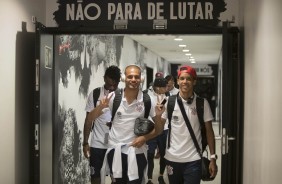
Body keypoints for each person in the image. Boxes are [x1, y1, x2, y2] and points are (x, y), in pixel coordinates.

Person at [99, 65, 166, 184]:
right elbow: (94, 118)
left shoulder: (148, 100)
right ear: (124, 78)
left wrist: (146, 135)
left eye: (137, 77)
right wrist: (100, 107)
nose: (134, 79)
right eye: (130, 76)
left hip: (137, 153)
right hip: (116, 151)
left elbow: (159, 130)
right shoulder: (113, 97)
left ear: (142, 78)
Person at [162, 65, 217, 184]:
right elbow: (159, 128)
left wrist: (212, 158)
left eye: (188, 79)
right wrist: (156, 115)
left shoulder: (202, 103)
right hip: (172, 158)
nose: (185, 82)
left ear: (194, 81)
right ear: (177, 81)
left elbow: (209, 131)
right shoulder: (169, 102)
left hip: (193, 159)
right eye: (182, 78)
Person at [83, 65, 121, 184]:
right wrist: (85, 142)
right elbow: (88, 120)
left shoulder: (123, 96)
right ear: (104, 78)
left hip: (116, 144)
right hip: (97, 143)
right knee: (95, 176)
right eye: (110, 83)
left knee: (116, 177)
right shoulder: (95, 94)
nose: (112, 87)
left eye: (115, 84)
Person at [145, 78, 169, 184]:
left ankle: (160, 175)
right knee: (150, 154)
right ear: (157, 87)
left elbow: (163, 118)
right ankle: (149, 178)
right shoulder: (148, 97)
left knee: (163, 154)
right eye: (164, 87)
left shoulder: (166, 99)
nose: (166, 88)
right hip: (151, 130)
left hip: (164, 130)